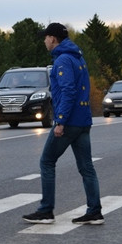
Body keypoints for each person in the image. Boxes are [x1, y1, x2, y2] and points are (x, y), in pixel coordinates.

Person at [23, 23, 103, 225]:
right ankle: (94, 211)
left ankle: (46, 210)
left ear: (53, 39)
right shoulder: (78, 57)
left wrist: (60, 121)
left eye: (46, 37)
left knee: (47, 161)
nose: (44, 41)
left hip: (69, 122)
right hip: (83, 120)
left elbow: (68, 92)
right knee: (86, 167)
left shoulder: (63, 61)